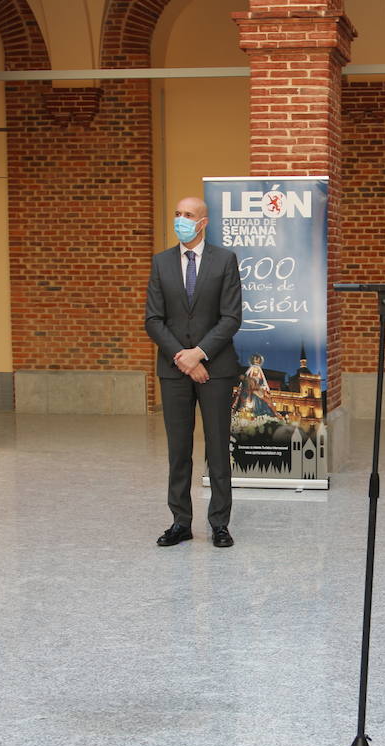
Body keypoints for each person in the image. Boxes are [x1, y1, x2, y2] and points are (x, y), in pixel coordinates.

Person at [144, 196, 243, 548]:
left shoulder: (225, 261)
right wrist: (182, 358)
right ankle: (180, 522)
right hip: (173, 372)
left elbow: (231, 317)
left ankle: (219, 523)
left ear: (203, 223)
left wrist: (200, 354)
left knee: (217, 447)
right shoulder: (161, 263)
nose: (180, 220)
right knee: (178, 449)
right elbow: (153, 320)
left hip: (216, 369)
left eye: (188, 215)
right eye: (177, 214)